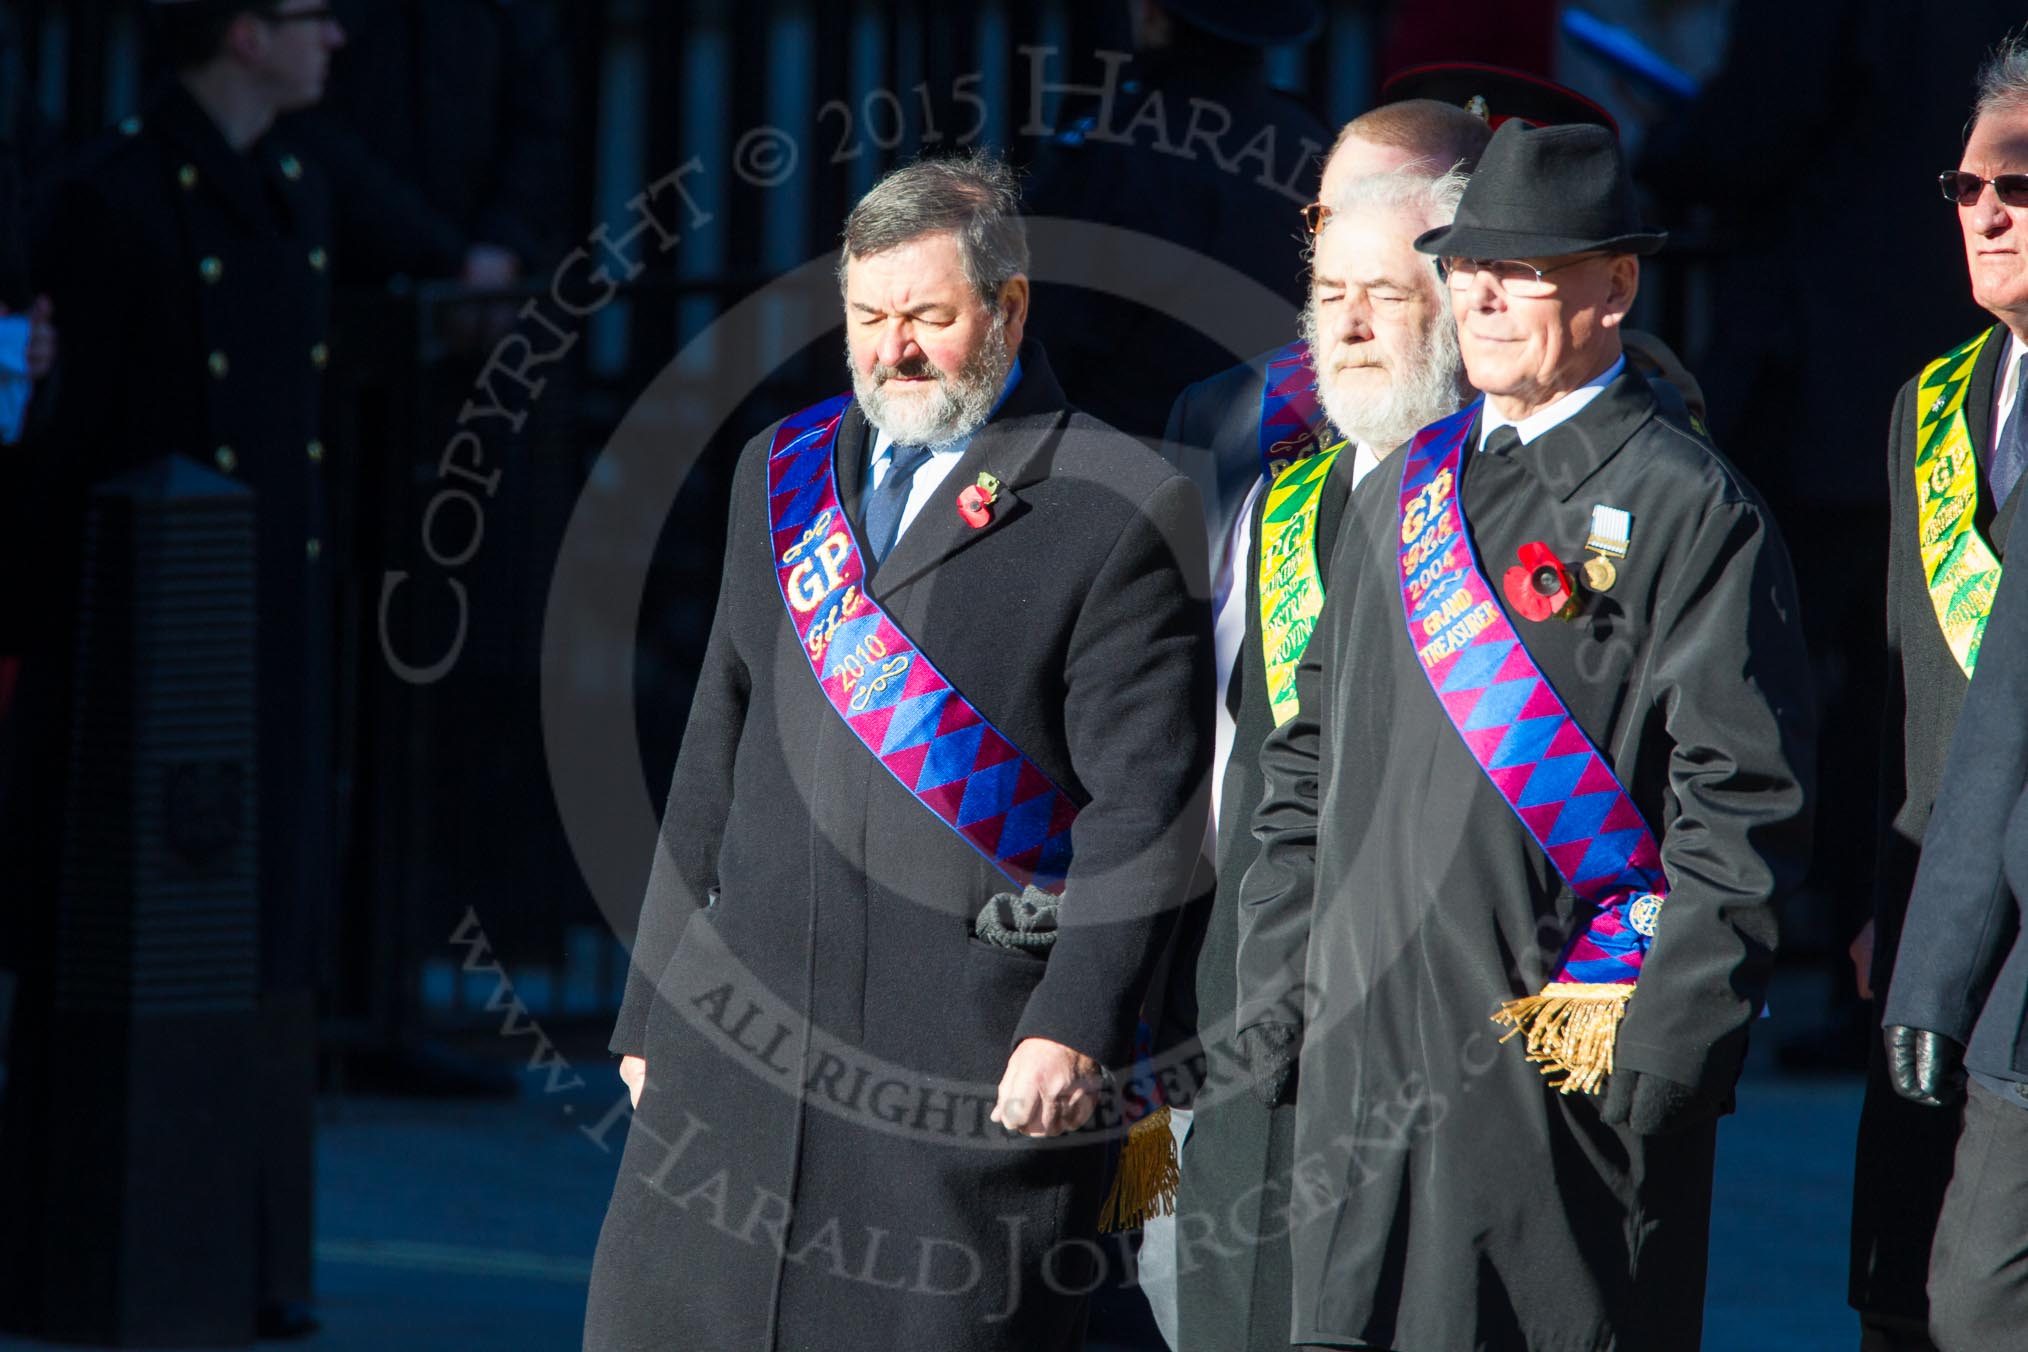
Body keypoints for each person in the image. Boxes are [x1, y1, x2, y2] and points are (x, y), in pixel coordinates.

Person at [583, 151, 1213, 1351]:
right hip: (743, 1043)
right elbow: (712, 733)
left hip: (966, 1055)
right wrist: (649, 1003)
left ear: (1010, 305)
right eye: (867, 317)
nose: (893, 351)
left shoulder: (1116, 499)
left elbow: (1147, 801)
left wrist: (1072, 1021)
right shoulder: (780, 473)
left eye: (928, 315)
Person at [1233, 121, 1815, 1351]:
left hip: (1562, 1086)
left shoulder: (1687, 507)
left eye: (1529, 267)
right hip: (1363, 1072)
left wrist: (1662, 1057)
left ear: (1615, 286)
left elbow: (1740, 806)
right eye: (1467, 265)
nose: (1486, 294)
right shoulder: (1399, 488)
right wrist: (1283, 983)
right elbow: (1305, 751)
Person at [0, 0, 345, 1337]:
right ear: (244, 34)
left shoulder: (297, 185)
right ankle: (73, 1242)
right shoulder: (112, 199)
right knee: (118, 920)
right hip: (140, 632)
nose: (336, 41)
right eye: (310, 15)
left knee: (259, 925)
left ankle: (246, 1253)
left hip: (259, 611)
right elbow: (68, 440)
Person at [1161, 160, 1473, 1352]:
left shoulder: (1527, 485)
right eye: (1326, 284)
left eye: (1382, 293)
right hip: (1258, 981)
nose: (1341, 320)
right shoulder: (1276, 484)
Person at [1858, 34, 2028, 1352]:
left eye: (2019, 188)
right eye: (1966, 189)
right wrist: (1878, 902)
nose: (1987, 212)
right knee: (1906, 1291)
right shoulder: (1931, 402)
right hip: (1935, 904)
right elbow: (1901, 681)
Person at [1023, 0, 1331, 441]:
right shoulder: (1310, 138)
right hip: (1284, 455)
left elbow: (1047, 333)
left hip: (1123, 462)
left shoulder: (1117, 146)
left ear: (1152, 14)